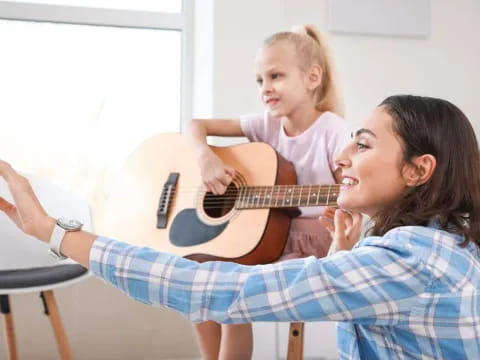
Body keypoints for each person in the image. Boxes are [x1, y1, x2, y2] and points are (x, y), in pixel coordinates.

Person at [1, 95, 480, 359]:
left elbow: (213, 288)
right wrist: (343, 256)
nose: (340, 157)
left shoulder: (407, 261)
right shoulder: (441, 245)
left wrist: (54, 231)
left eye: (363, 145)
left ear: (419, 170)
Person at [188, 24, 349, 359]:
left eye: (276, 76)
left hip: (313, 241)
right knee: (197, 283)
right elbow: (196, 126)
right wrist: (206, 158)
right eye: (260, 80)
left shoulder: (331, 129)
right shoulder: (264, 124)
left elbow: (351, 192)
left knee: (236, 294)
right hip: (264, 234)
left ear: (312, 77)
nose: (265, 88)